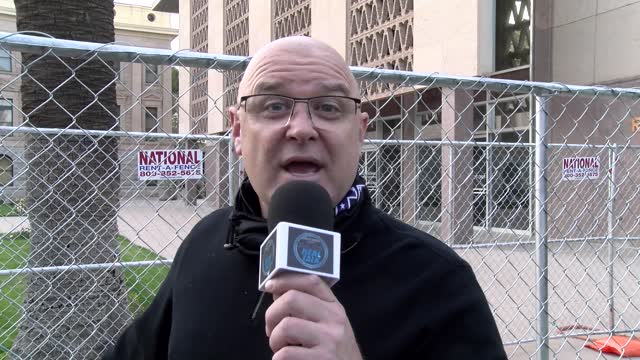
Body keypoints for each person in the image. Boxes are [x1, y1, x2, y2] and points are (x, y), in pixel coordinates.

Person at [103, 36, 508, 359]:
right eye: (274, 105)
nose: (301, 129)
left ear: (360, 131)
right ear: (238, 131)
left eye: (329, 108)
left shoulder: (437, 281)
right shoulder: (204, 242)